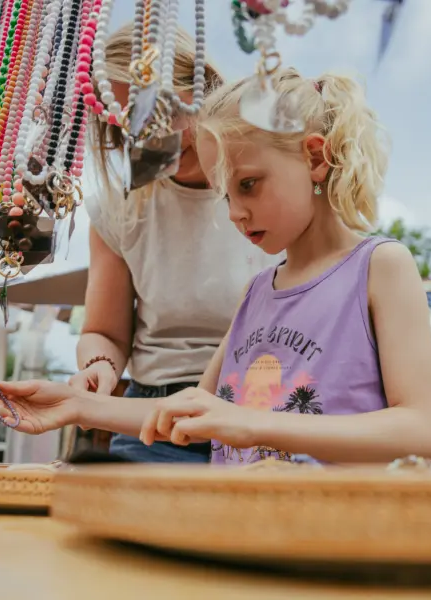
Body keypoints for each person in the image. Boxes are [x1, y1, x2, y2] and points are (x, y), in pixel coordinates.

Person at [0, 69, 431, 464]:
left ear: (315, 157)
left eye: (248, 184)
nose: (235, 214)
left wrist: (252, 423)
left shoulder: (380, 267)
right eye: (225, 195)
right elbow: (191, 411)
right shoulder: (256, 292)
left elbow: (424, 430)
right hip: (238, 523)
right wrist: (74, 405)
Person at [72, 24, 281, 463]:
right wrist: (99, 367)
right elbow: (104, 332)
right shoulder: (117, 211)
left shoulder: (279, 186)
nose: (156, 138)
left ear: (203, 88)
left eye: (164, 112)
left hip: (270, 413)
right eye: (132, 125)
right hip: (157, 422)